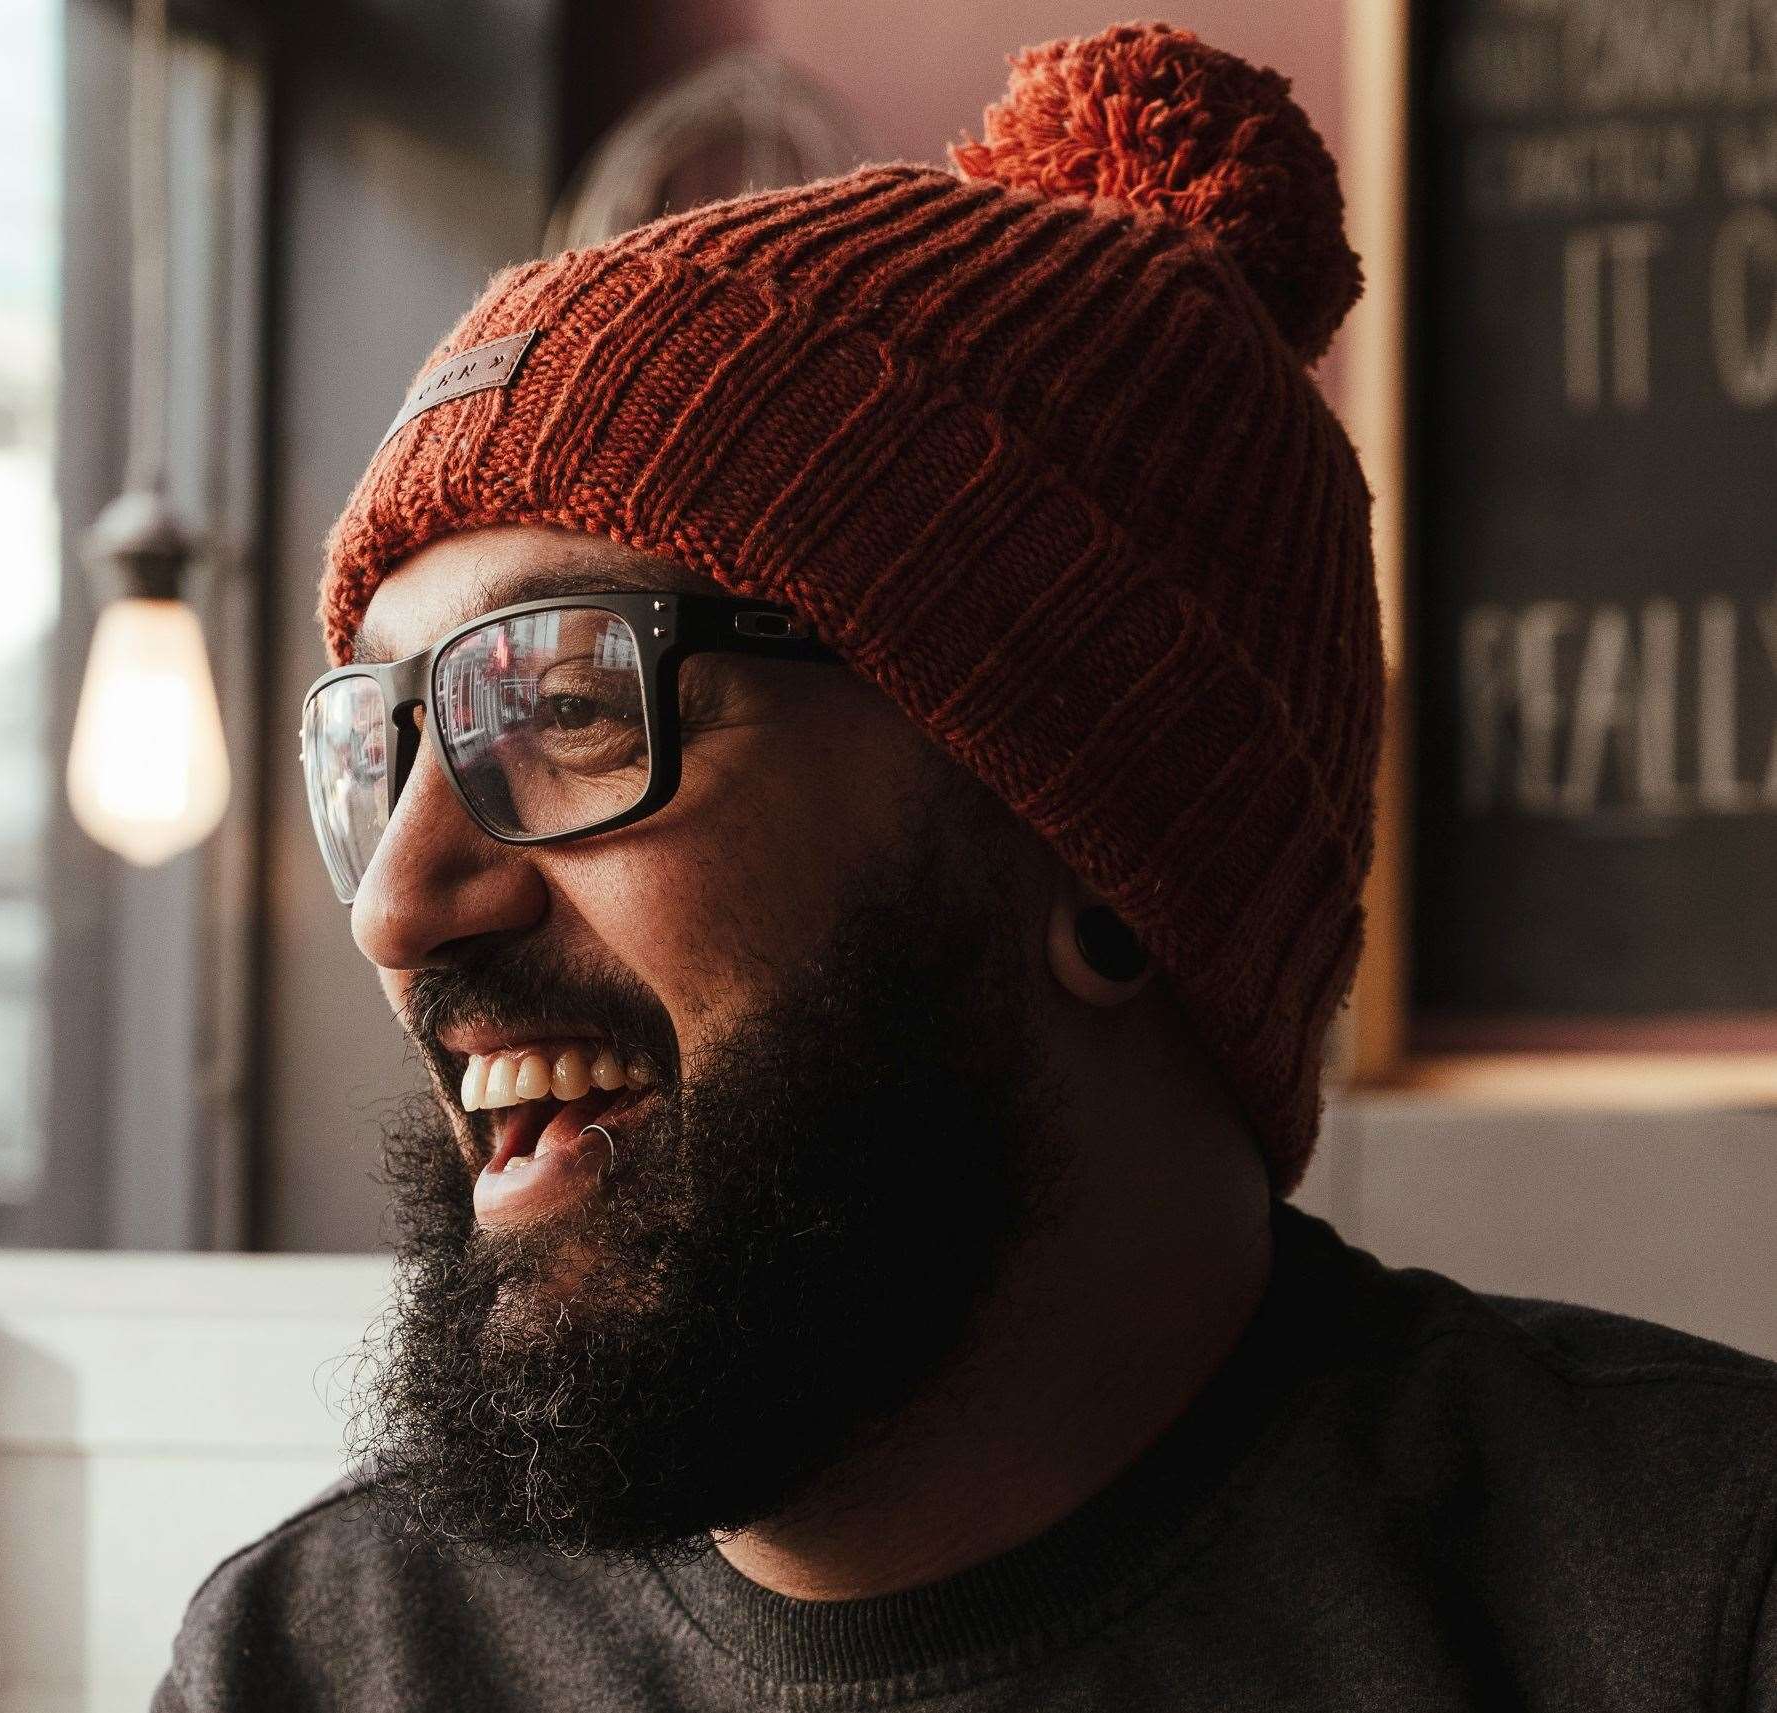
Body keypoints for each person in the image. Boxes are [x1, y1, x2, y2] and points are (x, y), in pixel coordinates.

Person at [154, 21, 1777, 1710]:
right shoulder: (330, 1656)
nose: (397, 902)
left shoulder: (1691, 1603)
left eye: (564, 702)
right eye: (384, 744)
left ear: (1091, 839)